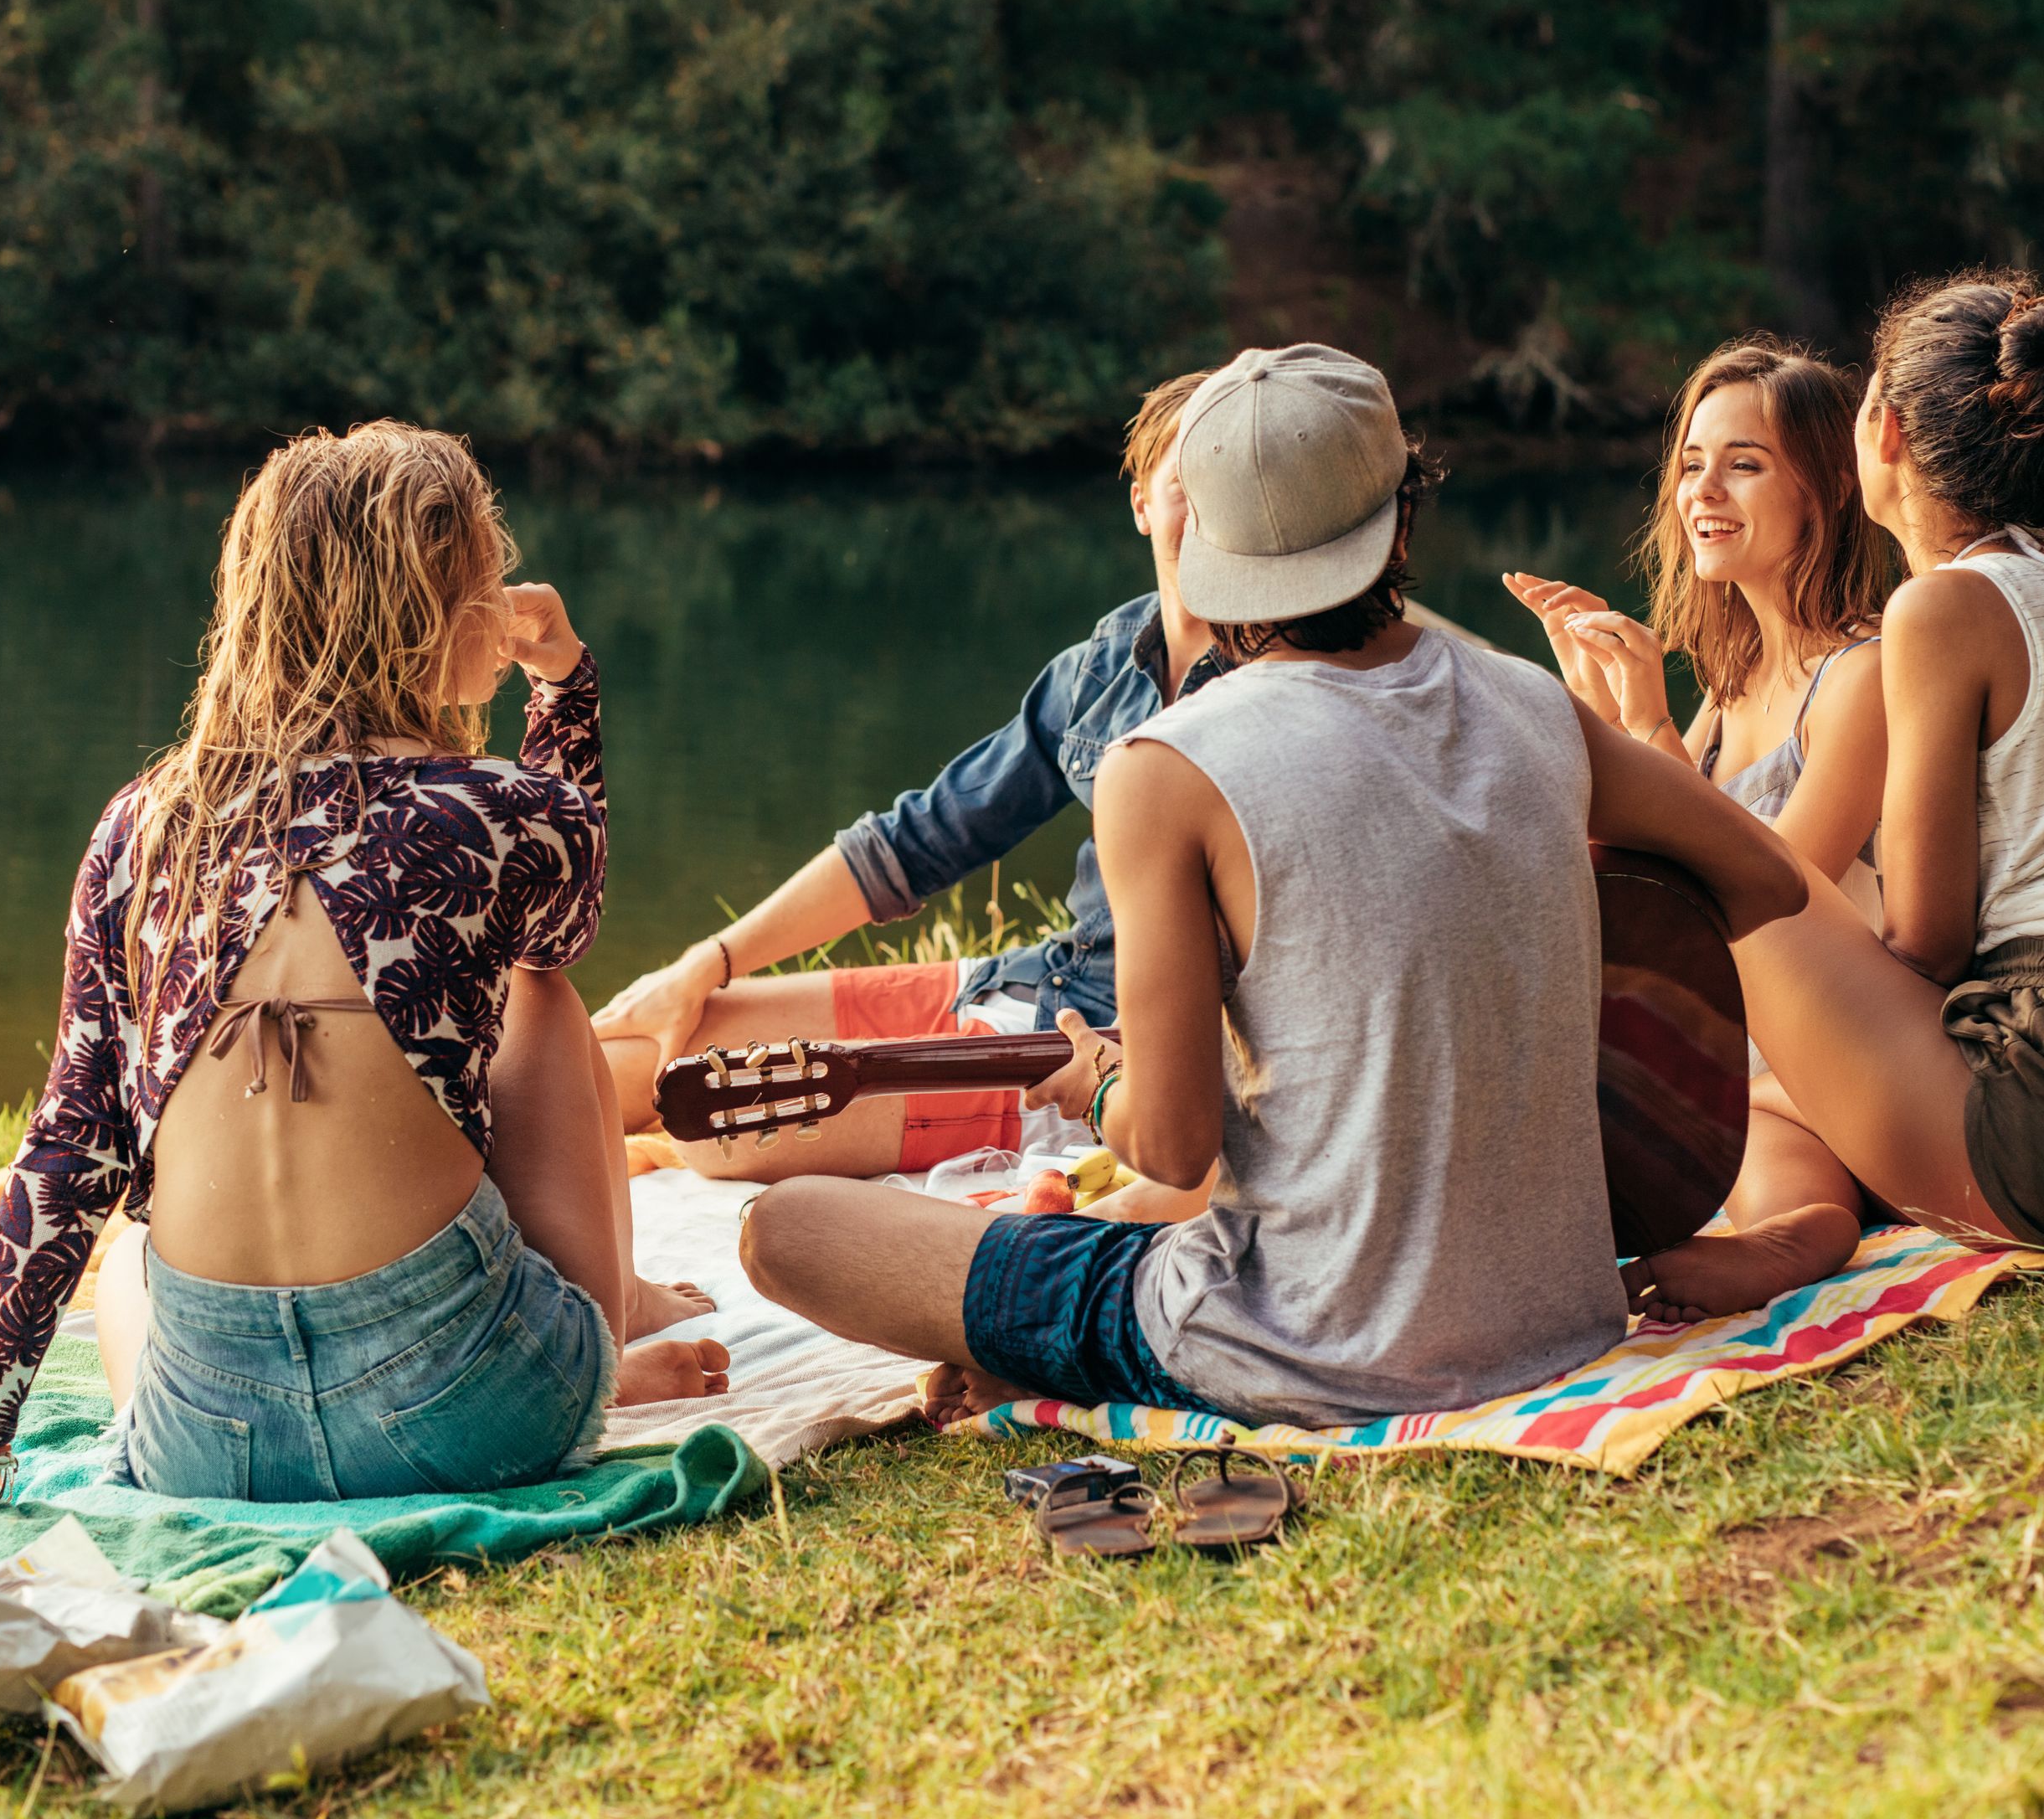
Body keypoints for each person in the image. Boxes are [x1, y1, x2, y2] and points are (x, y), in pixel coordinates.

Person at [737, 345, 1816, 1430]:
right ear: (1402, 520)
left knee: (787, 1231)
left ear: (1208, 544)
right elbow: (1764, 878)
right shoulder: (1532, 701)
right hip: (1563, 1315)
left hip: (1296, 1346)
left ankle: (1056, 1354)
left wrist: (1094, 1082)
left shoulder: (1165, 767)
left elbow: (1168, 1146)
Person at [0, 423, 726, 1548]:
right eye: (488, 571)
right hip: (481, 1414)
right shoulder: (501, 813)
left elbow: (70, 1148)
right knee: (544, 986)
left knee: (124, 1256)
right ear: (434, 607)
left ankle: (533, 1342)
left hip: (210, 1446)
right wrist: (565, 686)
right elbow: (570, 916)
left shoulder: (142, 826)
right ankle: (599, 1338)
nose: (507, 594)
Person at [1630, 273, 2044, 1320]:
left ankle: (1795, 1198)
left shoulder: (1939, 607)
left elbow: (1928, 940)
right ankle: (1798, 1204)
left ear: (1877, 432)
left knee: (1733, 864)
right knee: (1787, 1053)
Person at [590, 371, 1233, 1184]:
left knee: (718, 1119)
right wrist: (704, 963)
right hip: (1024, 980)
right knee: (641, 1051)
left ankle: (623, 1162)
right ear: (1142, 500)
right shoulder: (1104, 663)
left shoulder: (1276, 694)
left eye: (1233, 491)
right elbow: (917, 839)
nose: (1210, 519)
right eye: (1186, 489)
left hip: (1093, 1059)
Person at [1504, 340, 1902, 907]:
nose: (1703, 490)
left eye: (1743, 465)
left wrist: (1650, 721)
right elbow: (1647, 859)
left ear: (1831, 492)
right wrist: (1605, 707)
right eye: (1692, 465)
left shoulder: (1865, 677)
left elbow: (1768, 907)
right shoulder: (1734, 678)